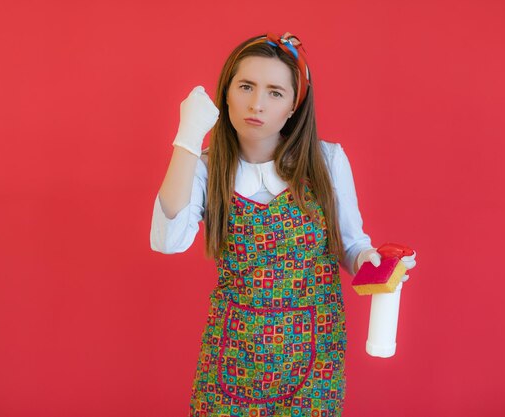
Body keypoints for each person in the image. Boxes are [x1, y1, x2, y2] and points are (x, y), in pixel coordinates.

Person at [150, 32, 411, 417]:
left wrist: (374, 264)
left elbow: (351, 247)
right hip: (233, 351)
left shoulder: (327, 161)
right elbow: (168, 240)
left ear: (293, 106)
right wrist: (187, 137)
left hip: (315, 352)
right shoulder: (207, 168)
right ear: (226, 94)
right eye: (245, 86)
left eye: (275, 92)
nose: (257, 104)